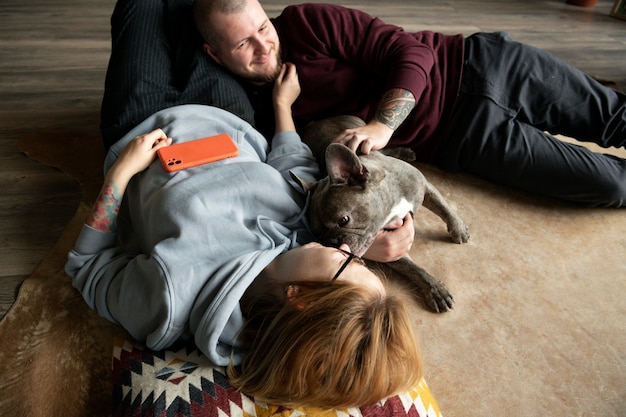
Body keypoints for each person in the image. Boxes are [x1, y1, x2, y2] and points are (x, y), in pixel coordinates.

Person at [67, 0, 423, 408]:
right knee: (200, 12)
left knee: (143, 6)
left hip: (141, 119)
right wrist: (282, 106)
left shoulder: (169, 298)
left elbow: (87, 268)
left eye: (349, 264)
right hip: (228, 115)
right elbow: (291, 164)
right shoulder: (304, 244)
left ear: (299, 297)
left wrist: (120, 176)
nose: (345, 248)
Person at [192, 0, 626, 208]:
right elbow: (292, 170)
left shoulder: (307, 22)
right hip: (462, 136)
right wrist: (283, 105)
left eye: (264, 27)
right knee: (612, 187)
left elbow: (411, 52)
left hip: (483, 64)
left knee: (616, 118)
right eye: (244, 43)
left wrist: (382, 125)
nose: (265, 46)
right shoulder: (254, 112)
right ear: (215, 55)